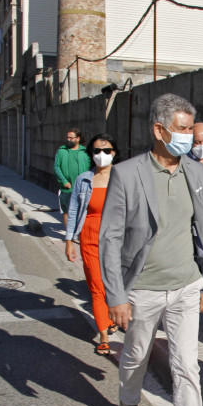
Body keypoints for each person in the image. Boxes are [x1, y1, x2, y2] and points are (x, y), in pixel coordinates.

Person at [100, 93, 203, 406]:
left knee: (187, 366)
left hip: (186, 286)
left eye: (192, 128)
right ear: (159, 130)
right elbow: (109, 239)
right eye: (182, 128)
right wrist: (117, 297)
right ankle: (128, 402)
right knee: (136, 356)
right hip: (142, 288)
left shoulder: (195, 172)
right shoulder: (127, 174)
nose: (190, 136)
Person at [64, 133, 120, 355]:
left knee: (115, 285)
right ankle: (104, 334)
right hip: (90, 236)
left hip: (117, 238)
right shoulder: (83, 180)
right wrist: (69, 240)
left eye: (107, 151)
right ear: (90, 154)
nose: (102, 155)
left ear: (114, 153)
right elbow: (75, 210)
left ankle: (113, 317)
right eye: (96, 151)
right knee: (97, 287)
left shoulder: (122, 177)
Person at [54, 128, 90, 225]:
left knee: (82, 212)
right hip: (67, 188)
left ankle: (78, 233)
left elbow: (91, 168)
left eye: (71, 138)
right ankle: (69, 236)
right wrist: (64, 181)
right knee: (67, 212)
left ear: (78, 138)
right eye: (67, 137)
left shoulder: (85, 152)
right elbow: (57, 167)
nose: (68, 139)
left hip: (82, 188)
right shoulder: (62, 150)